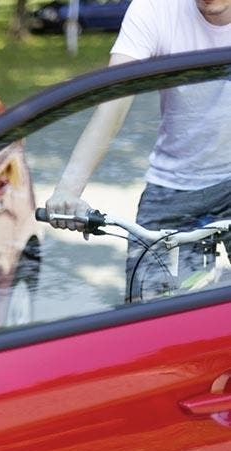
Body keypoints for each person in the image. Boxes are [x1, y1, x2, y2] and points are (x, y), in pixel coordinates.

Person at [45, 0, 231, 299]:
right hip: (171, 189)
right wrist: (68, 189)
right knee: (144, 311)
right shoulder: (154, 9)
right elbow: (113, 102)